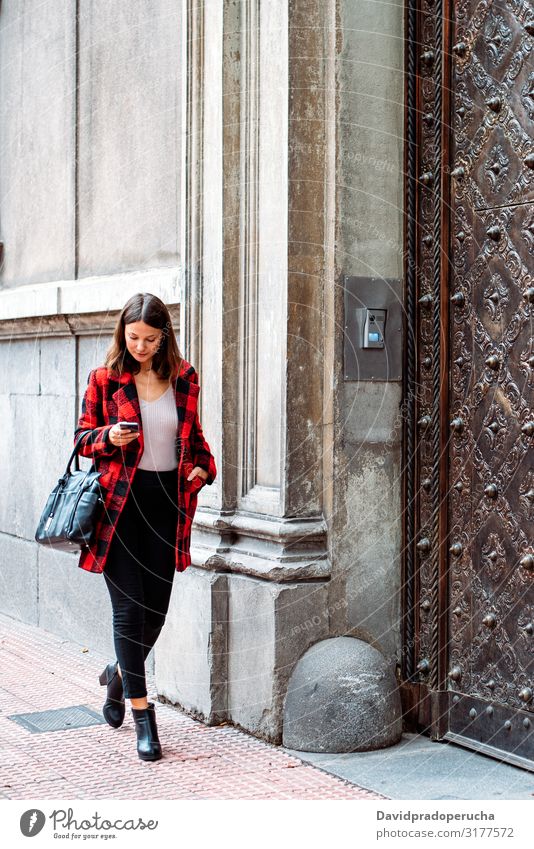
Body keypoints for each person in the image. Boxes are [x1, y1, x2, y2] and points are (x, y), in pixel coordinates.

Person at [74, 292, 217, 761]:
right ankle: (143, 716)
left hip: (165, 509)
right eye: (133, 337)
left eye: (149, 339)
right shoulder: (104, 379)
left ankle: (118, 674)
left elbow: (195, 441)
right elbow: (81, 439)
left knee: (155, 613)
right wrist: (108, 437)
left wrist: (202, 470)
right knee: (128, 613)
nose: (139, 346)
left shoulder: (185, 378)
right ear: (123, 334)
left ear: (164, 338)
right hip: (118, 509)